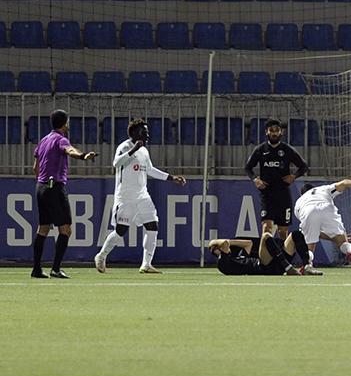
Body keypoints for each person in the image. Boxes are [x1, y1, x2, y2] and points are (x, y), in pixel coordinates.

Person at [94, 119, 187, 274]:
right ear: (135, 133)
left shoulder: (144, 151)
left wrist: (172, 178)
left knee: (153, 225)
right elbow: (116, 163)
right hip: (125, 198)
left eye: (147, 132)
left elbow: (149, 169)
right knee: (120, 232)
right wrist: (133, 150)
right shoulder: (125, 146)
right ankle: (101, 255)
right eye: (144, 132)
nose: (148, 135)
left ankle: (146, 264)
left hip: (142, 196)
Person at [32, 109, 98, 279]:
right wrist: (83, 156)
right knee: (66, 228)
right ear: (64, 123)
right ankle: (55, 269)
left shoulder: (43, 141)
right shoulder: (61, 139)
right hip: (55, 187)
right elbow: (69, 150)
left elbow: (36, 168)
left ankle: (36, 269)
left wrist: (43, 182)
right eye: (67, 122)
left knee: (43, 228)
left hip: (41, 186)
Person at [293, 179, 351, 273]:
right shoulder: (323, 189)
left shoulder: (298, 203)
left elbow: (315, 233)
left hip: (307, 212)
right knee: (342, 241)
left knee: (310, 245)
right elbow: (345, 182)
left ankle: (307, 264)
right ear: (314, 189)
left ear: (302, 194)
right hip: (327, 208)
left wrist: (329, 238)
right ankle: (350, 253)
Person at [244, 119, 310, 242]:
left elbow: (304, 167)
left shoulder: (287, 150)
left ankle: (284, 259)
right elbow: (248, 168)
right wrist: (255, 179)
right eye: (271, 130)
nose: (274, 133)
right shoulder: (260, 150)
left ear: (281, 132)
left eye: (277, 130)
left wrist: (293, 176)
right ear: (266, 132)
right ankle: (265, 259)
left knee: (283, 231)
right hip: (267, 194)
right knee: (266, 228)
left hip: (283, 194)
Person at [208, 234, 304, 276]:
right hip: (262, 267)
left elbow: (248, 243)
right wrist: (214, 242)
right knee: (266, 236)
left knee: (295, 235)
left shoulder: (237, 256)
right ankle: (287, 267)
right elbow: (225, 243)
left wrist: (230, 242)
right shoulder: (223, 262)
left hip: (269, 266)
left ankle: (306, 265)